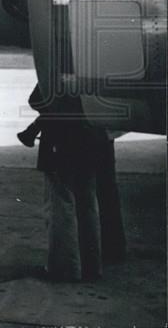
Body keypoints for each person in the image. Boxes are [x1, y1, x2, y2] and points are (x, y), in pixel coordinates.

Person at [26, 84, 125, 282]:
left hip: (62, 142)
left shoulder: (60, 67)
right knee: (88, 206)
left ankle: (65, 269)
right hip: (92, 142)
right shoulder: (98, 69)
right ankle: (92, 266)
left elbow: (36, 99)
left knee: (61, 206)